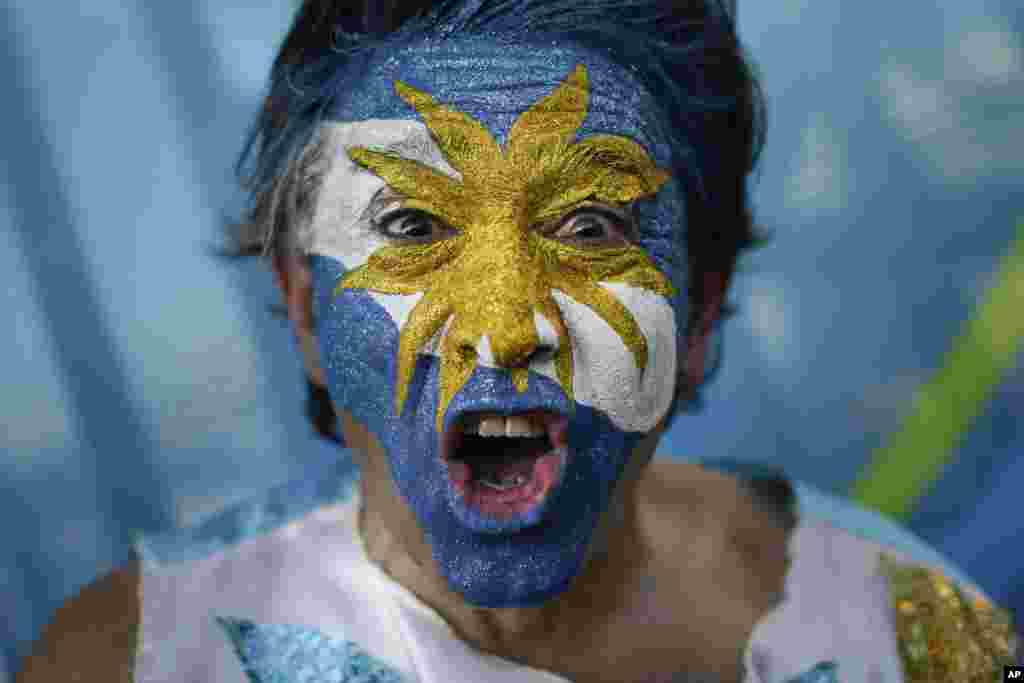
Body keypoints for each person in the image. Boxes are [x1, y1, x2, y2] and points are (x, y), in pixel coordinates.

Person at [18, 0, 1018, 681]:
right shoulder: (137, 660)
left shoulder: (911, 633)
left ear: (701, 313)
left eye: (590, 225)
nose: (503, 331)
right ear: (309, 312)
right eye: (411, 225)